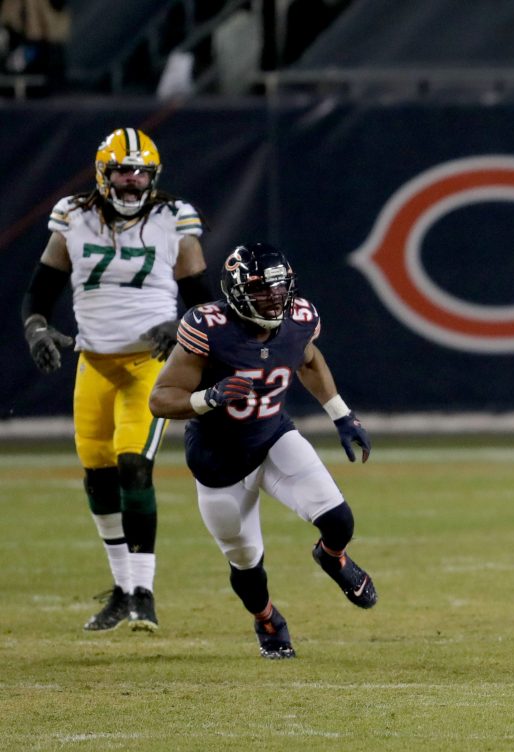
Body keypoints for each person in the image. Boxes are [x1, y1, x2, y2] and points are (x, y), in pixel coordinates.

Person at [148, 242, 377, 659]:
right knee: (247, 565)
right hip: (218, 463)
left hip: (272, 439)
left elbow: (307, 360)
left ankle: (332, 558)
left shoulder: (299, 318)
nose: (273, 298)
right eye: (260, 290)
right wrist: (209, 397)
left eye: (278, 288)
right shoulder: (209, 327)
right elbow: (160, 399)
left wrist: (342, 415)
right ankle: (268, 619)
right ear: (235, 292)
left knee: (340, 520)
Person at [22, 126, 209, 633]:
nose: (131, 182)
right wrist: (36, 328)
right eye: (123, 172)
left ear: (154, 175)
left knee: (134, 467)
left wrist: (180, 325)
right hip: (94, 364)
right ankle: (122, 587)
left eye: (141, 172)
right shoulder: (74, 218)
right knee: (98, 476)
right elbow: (39, 294)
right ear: (103, 174)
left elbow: (203, 301)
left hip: (149, 363)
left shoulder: (174, 220)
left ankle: (144, 591)